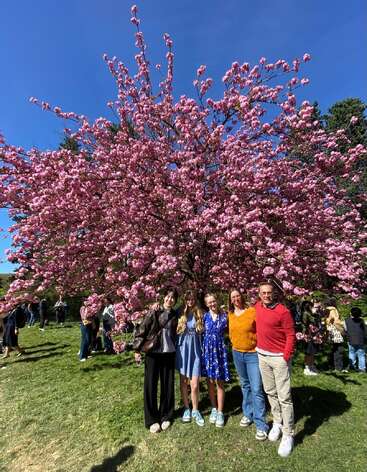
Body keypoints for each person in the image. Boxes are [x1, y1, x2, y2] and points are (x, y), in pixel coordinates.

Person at [255, 281, 296, 458]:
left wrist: (285, 355)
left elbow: (291, 334)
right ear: (259, 294)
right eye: (263, 293)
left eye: (269, 292)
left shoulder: (283, 311)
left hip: (279, 358)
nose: (266, 295)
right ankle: (277, 422)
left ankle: (288, 433)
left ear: (274, 294)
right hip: (262, 355)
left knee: (284, 396)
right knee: (270, 392)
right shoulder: (257, 307)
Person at [133, 288, 178, 433]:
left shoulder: (176, 315)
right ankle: (152, 419)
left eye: (173, 298)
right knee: (151, 385)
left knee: (168, 385)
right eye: (168, 296)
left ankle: (166, 415)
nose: (170, 300)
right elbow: (142, 329)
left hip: (169, 353)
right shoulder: (154, 311)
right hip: (153, 353)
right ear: (163, 298)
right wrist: (136, 349)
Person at [228, 288, 268, 440]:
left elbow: (261, 329)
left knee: (256, 387)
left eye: (238, 295)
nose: (236, 299)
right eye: (233, 297)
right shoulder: (230, 314)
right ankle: (248, 413)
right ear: (230, 300)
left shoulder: (252, 311)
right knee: (245, 385)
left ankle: (261, 424)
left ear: (242, 297)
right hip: (237, 353)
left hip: (252, 354)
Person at [176, 290, 205, 427]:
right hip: (183, 351)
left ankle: (195, 410)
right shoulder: (180, 313)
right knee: (183, 382)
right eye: (188, 299)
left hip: (196, 351)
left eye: (192, 298)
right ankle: (186, 408)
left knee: (194, 384)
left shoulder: (199, 313)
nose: (190, 301)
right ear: (185, 300)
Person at [201, 292, 230, 428]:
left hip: (219, 351)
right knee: (209, 381)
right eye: (209, 302)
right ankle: (213, 407)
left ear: (216, 301)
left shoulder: (225, 316)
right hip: (207, 351)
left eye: (213, 301)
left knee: (219, 382)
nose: (212, 304)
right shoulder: (204, 317)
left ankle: (220, 411)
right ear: (206, 305)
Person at [344, 307, 366, 372]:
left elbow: (345, 329)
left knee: (351, 353)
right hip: (360, 340)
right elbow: (364, 329)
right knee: (361, 354)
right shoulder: (362, 321)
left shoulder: (346, 320)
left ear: (351, 313)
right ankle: (362, 369)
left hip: (351, 339)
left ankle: (352, 366)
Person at [325, 302, 345, 372]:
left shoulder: (326, 309)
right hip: (336, 332)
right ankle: (338, 367)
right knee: (338, 350)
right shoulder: (333, 310)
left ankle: (331, 365)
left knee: (333, 350)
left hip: (330, 331)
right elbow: (335, 321)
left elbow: (327, 320)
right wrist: (342, 330)